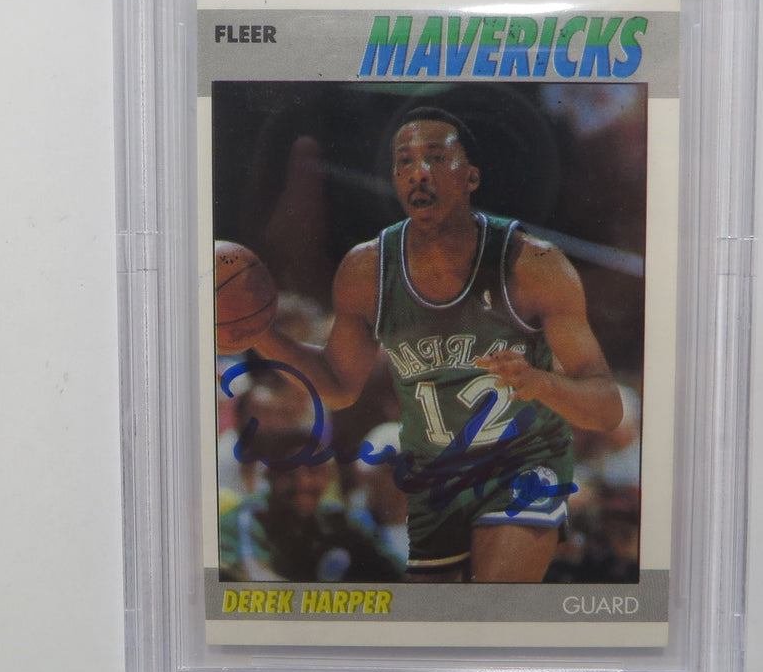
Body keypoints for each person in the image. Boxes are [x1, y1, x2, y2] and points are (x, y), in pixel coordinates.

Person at [251, 107, 623, 582]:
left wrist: (540, 383)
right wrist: (260, 334)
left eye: (435, 157)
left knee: (489, 602)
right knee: (439, 613)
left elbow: (607, 408)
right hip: (435, 478)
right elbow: (339, 387)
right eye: (404, 161)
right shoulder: (366, 270)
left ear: (471, 177)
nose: (418, 172)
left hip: (521, 466)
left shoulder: (532, 264)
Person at [218, 428, 403, 583]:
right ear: (269, 476)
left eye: (314, 472)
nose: (303, 484)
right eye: (288, 473)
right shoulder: (249, 516)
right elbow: (257, 579)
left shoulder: (336, 518)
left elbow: (400, 571)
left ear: (328, 476)